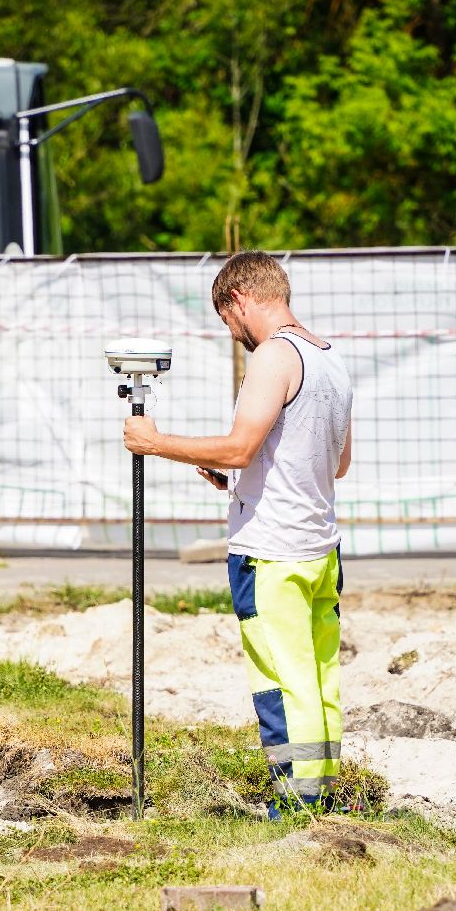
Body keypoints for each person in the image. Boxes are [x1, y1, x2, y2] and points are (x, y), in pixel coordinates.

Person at [123, 251, 354, 815]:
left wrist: (155, 442)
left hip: (272, 553)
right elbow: (336, 462)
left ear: (240, 301)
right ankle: (325, 796)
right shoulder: (329, 359)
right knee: (319, 681)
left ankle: (297, 808)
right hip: (320, 549)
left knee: (280, 683)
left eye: (227, 323)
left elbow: (240, 445)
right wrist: (236, 473)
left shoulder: (274, 357)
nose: (233, 336)